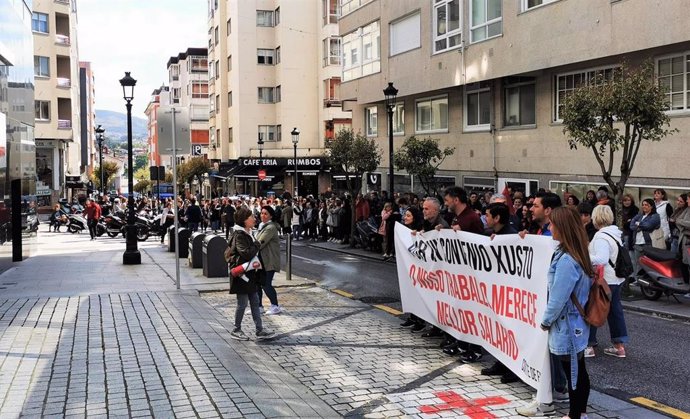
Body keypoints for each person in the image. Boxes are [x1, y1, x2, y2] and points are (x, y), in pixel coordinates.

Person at [538, 206, 593, 419]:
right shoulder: (573, 252)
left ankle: (574, 415)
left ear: (562, 227)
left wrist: (545, 321)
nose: (549, 227)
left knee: (574, 374)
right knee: (578, 370)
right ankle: (580, 413)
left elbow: (558, 298)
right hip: (574, 324)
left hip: (567, 325)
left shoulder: (567, 260)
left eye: (552, 224)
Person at [585, 205, 629, 359]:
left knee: (593, 309)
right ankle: (619, 346)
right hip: (616, 279)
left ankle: (589, 346)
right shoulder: (615, 234)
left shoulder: (600, 237)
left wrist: (583, 256)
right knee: (615, 311)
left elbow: (601, 259)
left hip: (603, 280)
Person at [227, 207, 275, 341]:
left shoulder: (247, 232)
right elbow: (246, 253)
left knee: (254, 301)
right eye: (251, 217)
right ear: (244, 220)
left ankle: (259, 330)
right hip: (242, 275)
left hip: (250, 274)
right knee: (242, 303)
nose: (254, 219)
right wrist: (257, 244)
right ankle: (236, 329)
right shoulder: (239, 235)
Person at [256, 206, 282, 315]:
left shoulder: (270, 227)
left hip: (269, 261)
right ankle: (259, 306)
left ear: (271, 215)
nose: (263, 215)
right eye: (261, 213)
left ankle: (275, 306)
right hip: (262, 260)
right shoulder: (263, 226)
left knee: (266, 284)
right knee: (258, 283)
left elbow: (260, 242)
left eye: (265, 213)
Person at [629, 199, 661, 280]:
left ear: (651, 206)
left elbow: (648, 226)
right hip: (637, 243)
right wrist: (639, 225)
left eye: (646, 205)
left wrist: (638, 224)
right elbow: (631, 225)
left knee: (648, 264)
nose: (644, 206)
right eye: (643, 205)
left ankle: (649, 280)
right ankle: (638, 280)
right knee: (638, 263)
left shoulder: (655, 216)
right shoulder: (640, 215)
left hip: (648, 243)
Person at [670, 194, 690, 290]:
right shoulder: (686, 210)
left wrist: (679, 221)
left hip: (687, 240)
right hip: (683, 240)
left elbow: (683, 222)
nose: (688, 201)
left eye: (688, 199)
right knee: (683, 262)